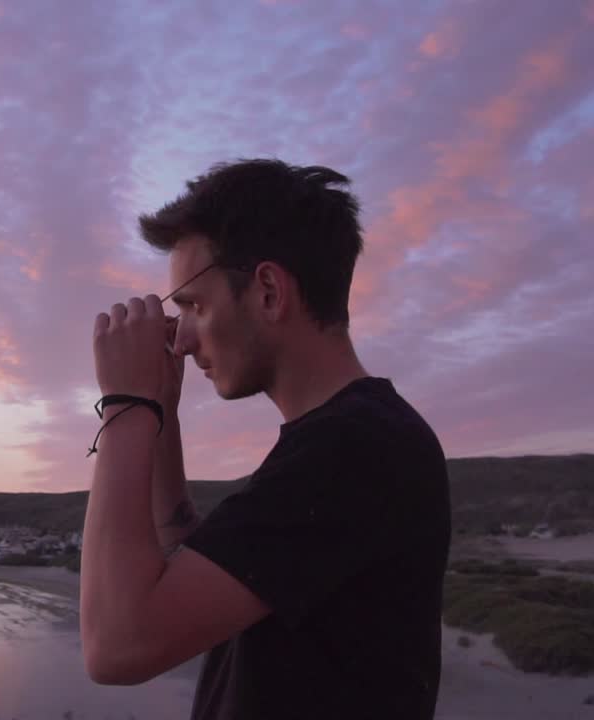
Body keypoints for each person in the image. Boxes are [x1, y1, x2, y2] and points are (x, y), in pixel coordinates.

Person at [81, 159, 452, 719]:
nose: (181, 340)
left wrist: (125, 404)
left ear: (270, 292)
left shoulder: (356, 449)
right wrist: (161, 414)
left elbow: (116, 646)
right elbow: (182, 556)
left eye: (194, 305)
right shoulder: (349, 440)